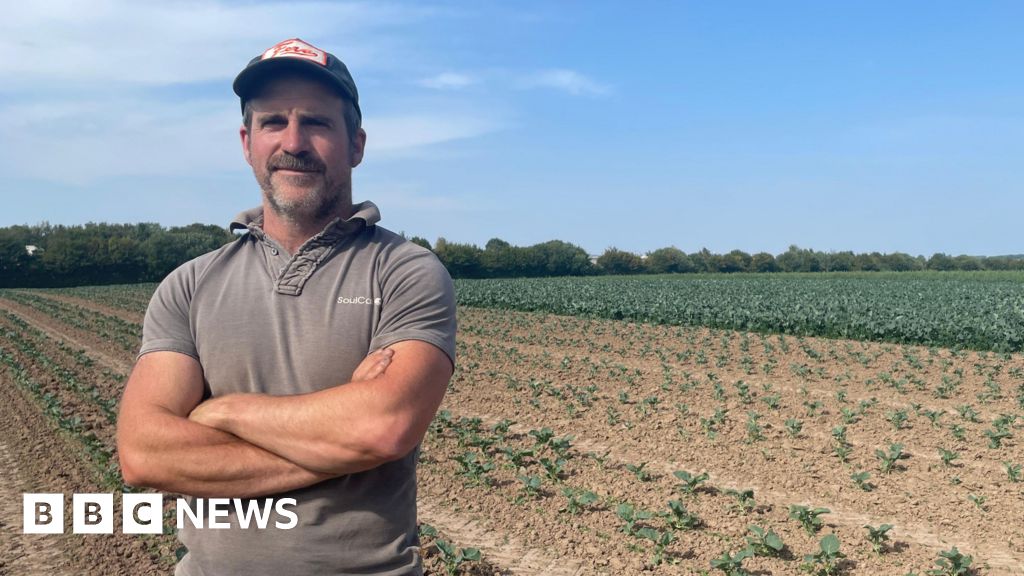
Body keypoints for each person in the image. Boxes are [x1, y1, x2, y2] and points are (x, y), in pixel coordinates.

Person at [116, 38, 456, 575]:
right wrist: (340, 442)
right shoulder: (189, 285)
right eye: (274, 121)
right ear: (247, 142)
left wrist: (225, 411)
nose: (293, 142)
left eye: (316, 123)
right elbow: (143, 454)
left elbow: (383, 427)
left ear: (356, 145)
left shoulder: (404, 271)